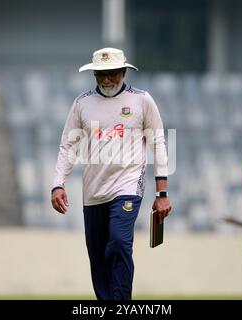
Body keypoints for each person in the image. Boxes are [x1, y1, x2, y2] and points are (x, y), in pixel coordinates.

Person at [51, 48, 172, 300]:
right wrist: (57, 184)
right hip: (93, 192)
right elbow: (68, 146)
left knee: (118, 243)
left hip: (127, 186)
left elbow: (158, 143)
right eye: (101, 74)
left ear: (124, 71)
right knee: (97, 259)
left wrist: (162, 193)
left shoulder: (142, 100)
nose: (106, 80)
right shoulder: (82, 103)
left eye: (112, 73)